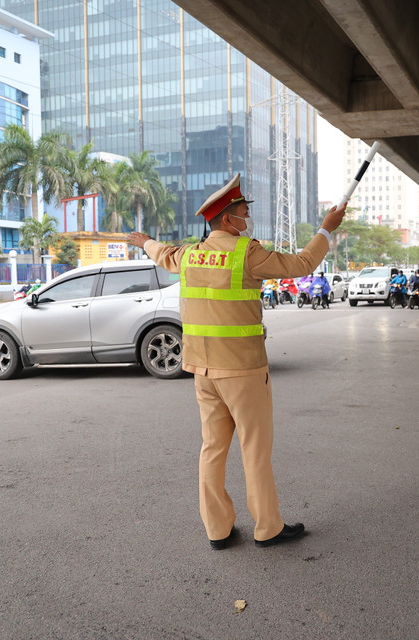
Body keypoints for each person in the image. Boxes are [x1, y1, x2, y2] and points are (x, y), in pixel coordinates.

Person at [127, 173, 347, 550]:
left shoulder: (190, 254)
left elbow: (162, 253)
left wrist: (144, 240)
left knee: (212, 449)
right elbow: (303, 263)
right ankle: (268, 527)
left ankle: (218, 530)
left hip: (202, 371)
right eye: (245, 213)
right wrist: (327, 228)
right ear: (228, 220)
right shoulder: (247, 253)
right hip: (243, 371)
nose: (248, 219)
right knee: (254, 449)